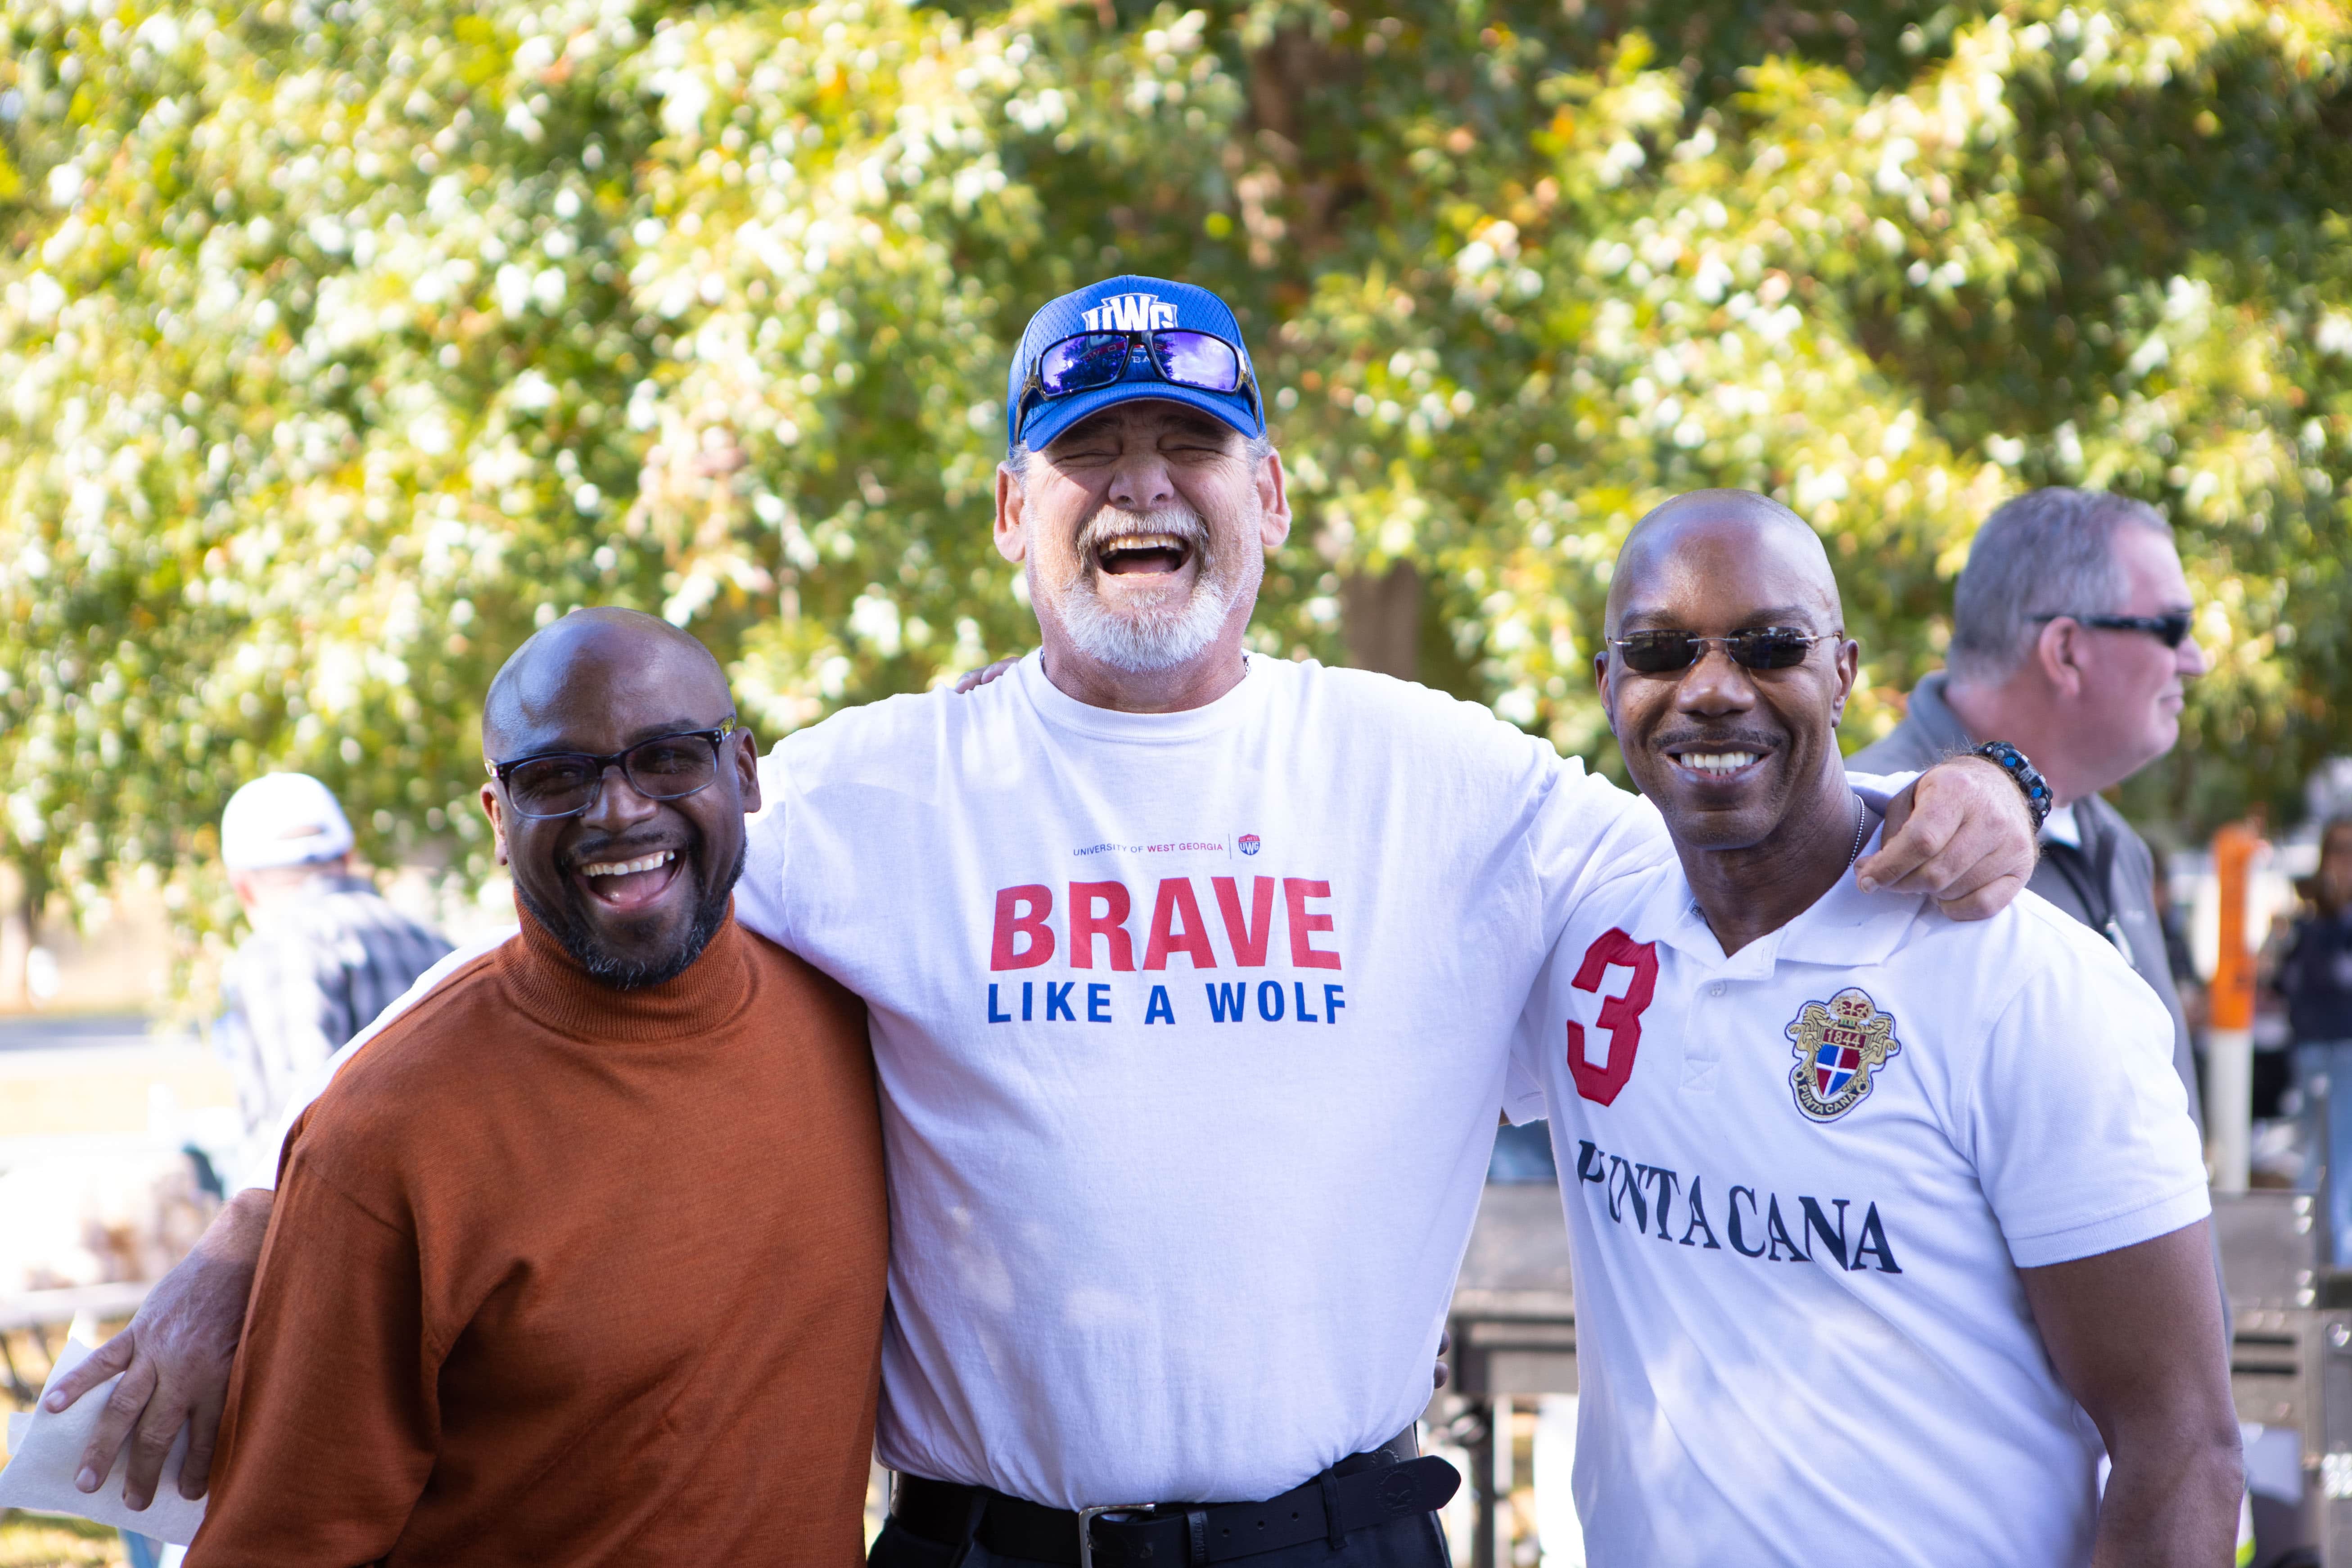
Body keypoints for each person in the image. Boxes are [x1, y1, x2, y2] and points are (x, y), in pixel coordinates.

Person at [55, 276, 2040, 1567]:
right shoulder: (859, 791)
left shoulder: (1446, 780)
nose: (1138, 485)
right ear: (1011, 516)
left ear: (1267, 491)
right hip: (984, 1545)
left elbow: (1737, 868)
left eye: (1184, 445)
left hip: (1328, 1540)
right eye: (1084, 451)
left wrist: (1975, 783)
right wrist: (259, 1220)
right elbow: (557, 952)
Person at [1518, 490, 2238, 1564]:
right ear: (1609, 683)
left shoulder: (2021, 982)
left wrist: (2001, 781)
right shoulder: (1573, 931)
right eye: (1661, 650)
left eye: (1769, 645)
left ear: (1844, 670)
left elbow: (2181, 1440)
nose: (1711, 688)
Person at [182, 611, 888, 1564]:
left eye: (669, 757)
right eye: (556, 777)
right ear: (497, 821)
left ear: (747, 774)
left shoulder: (859, 1027)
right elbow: (282, 1542)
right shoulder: (387, 1136)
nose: (619, 810)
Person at [1851, 487, 2211, 1129]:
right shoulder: (1872, 826)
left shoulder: (2113, 841)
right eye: (2173, 628)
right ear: (2067, 651)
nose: (2196, 660)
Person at [215, 772, 451, 1168]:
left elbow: (300, 1136)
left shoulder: (280, 950)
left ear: (243, 887)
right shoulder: (438, 945)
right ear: (346, 858)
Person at [2285, 817, 2352, 1256]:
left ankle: (2334, 1257)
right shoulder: (2310, 923)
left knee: (2339, 1161)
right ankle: (2319, 1258)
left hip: (2344, 1048)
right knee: (2319, 1155)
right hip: (2313, 1048)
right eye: (2336, 851)